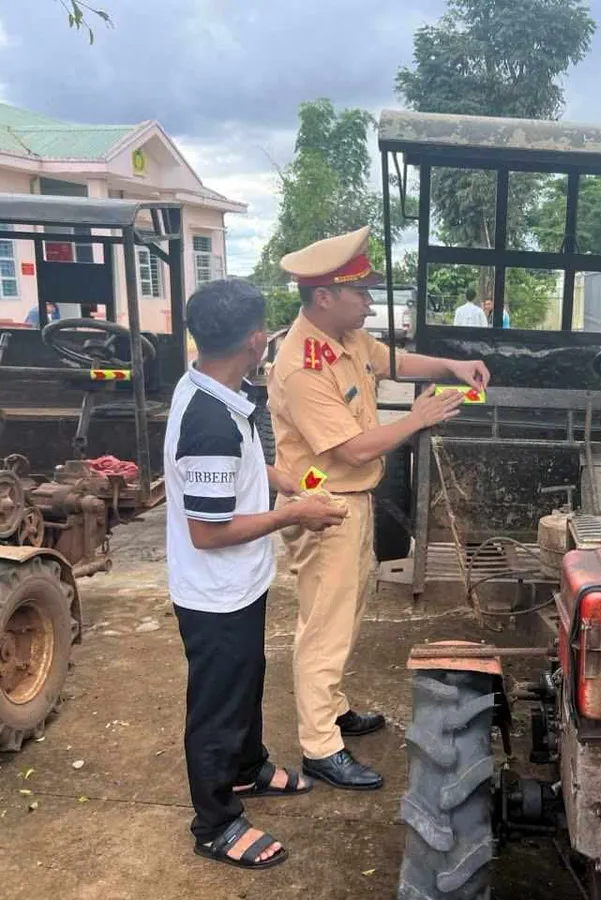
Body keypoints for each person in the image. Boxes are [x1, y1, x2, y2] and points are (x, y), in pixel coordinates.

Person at [268, 226, 490, 790]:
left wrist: (452, 366)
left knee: (343, 611)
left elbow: (394, 361)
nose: (370, 301)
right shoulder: (302, 364)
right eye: (360, 292)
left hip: (346, 492)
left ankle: (332, 706)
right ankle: (320, 744)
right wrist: (417, 419)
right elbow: (350, 448)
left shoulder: (345, 338)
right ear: (324, 297)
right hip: (325, 499)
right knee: (325, 624)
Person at [165, 278, 348, 869]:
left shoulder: (218, 392)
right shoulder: (210, 422)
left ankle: (246, 770)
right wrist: (295, 512)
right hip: (213, 592)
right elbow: (207, 531)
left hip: (239, 584)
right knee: (218, 704)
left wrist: (283, 481)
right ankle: (215, 822)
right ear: (254, 339)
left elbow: (240, 468)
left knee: (247, 680)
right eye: (265, 330)